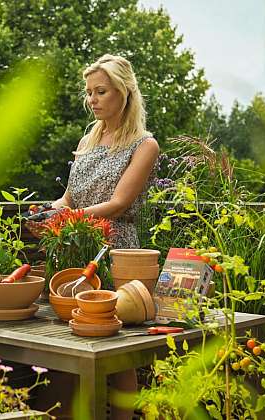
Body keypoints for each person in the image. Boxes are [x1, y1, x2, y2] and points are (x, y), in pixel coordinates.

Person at [51, 54, 159, 419]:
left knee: (116, 348)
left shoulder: (144, 145)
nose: (92, 100)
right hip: (72, 246)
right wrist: (49, 211)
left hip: (113, 251)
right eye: (89, 93)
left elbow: (118, 203)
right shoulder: (88, 139)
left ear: (124, 93)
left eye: (100, 91)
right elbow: (69, 196)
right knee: (67, 339)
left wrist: (67, 218)